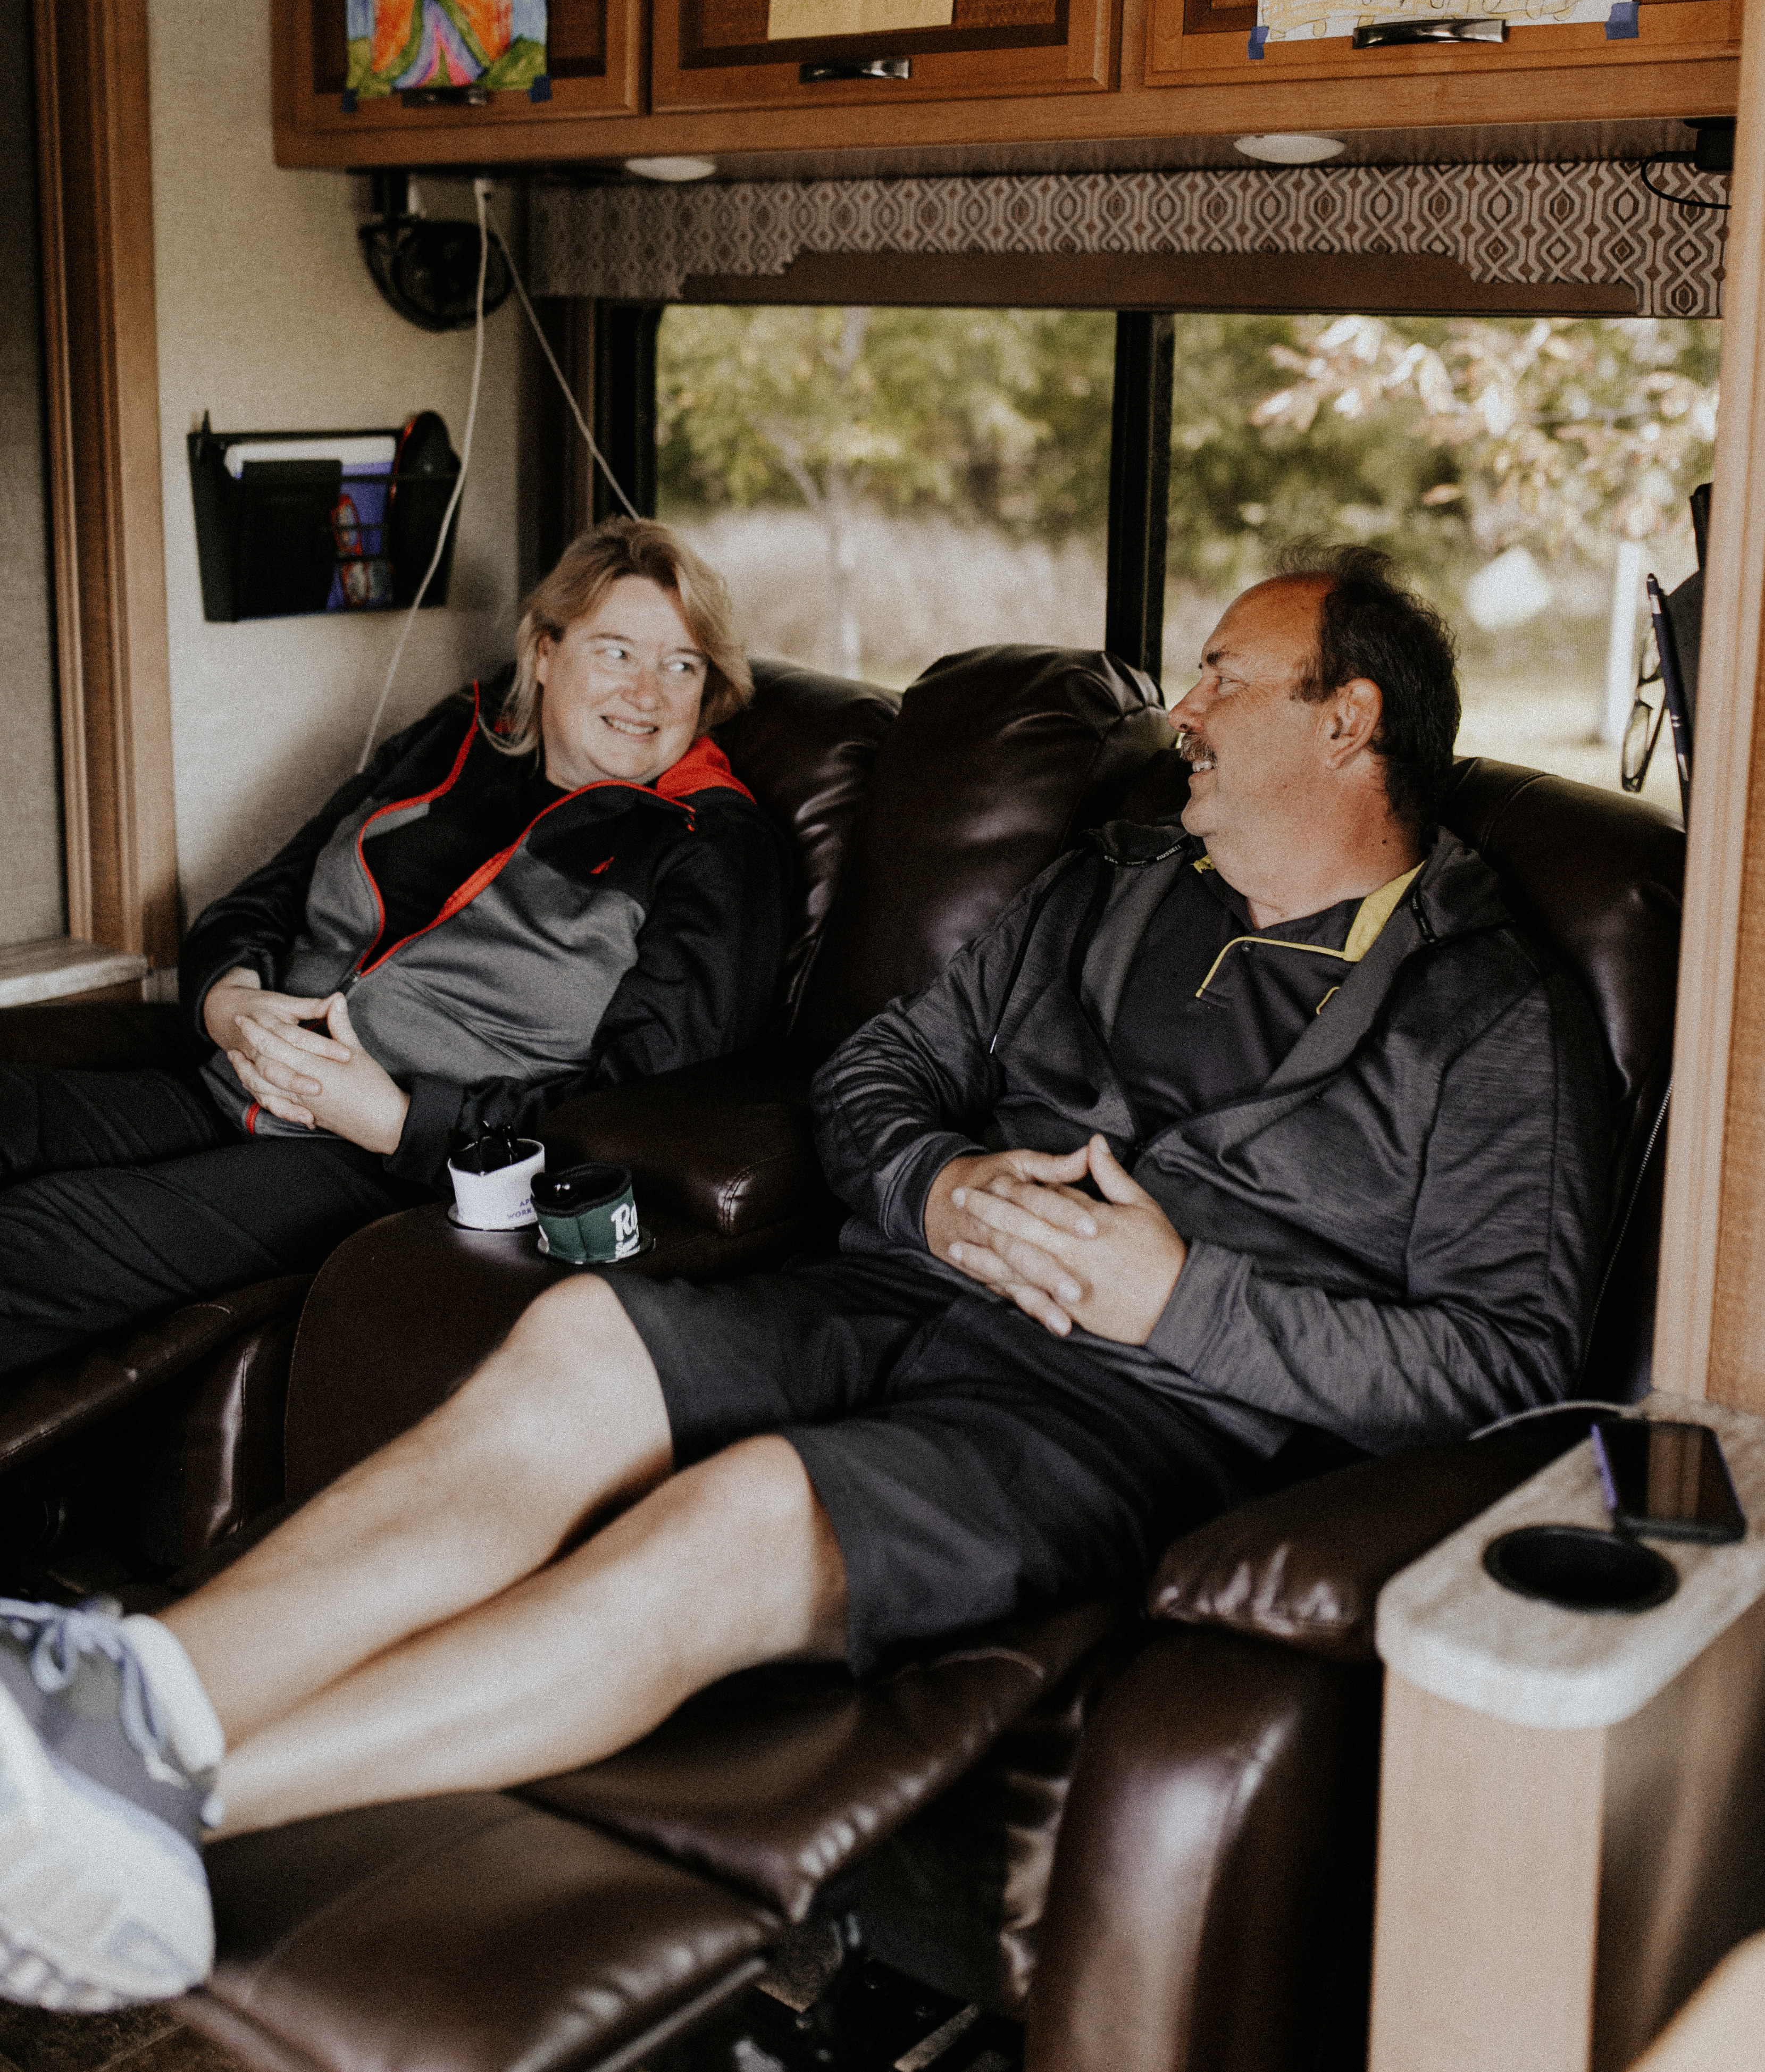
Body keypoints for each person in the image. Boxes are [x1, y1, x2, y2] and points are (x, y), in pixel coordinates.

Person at [0, 547, 1611, 2011]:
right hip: (904, 1283)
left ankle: (157, 1802)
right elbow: (871, 1077)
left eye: (1225, 682)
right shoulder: (1106, 886)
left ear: (1350, 724)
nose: (1182, 710)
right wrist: (942, 1180)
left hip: (1136, 1410)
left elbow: (1510, 1368)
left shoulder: (1490, 1017)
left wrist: (1177, 1303)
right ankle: (138, 1687)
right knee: (576, 1334)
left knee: (750, 1510)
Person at [0, 516, 788, 1377]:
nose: (650, 692)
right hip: (235, 1083)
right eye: (618, 652)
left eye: (684, 664)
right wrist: (230, 1003)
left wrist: (402, 1121)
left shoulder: (709, 843)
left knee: (31, 1244)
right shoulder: (462, 738)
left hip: (383, 1166)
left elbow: (645, 1114)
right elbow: (268, 893)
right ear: (544, 652)